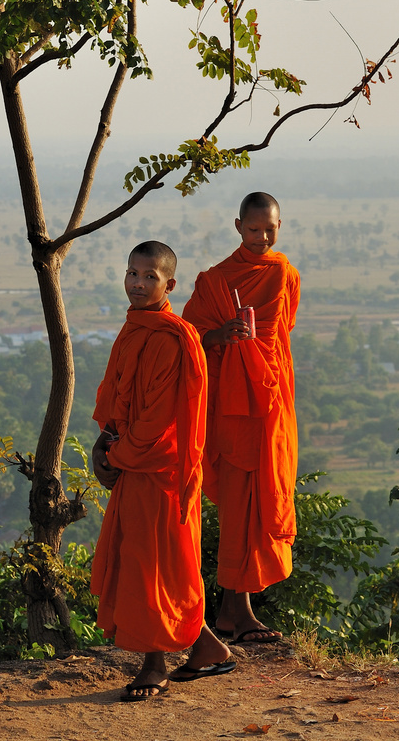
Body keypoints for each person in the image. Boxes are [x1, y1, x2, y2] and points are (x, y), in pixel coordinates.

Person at [91, 240, 235, 701]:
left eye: (149, 277)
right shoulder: (135, 328)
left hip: (162, 469)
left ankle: (154, 665)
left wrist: (117, 456)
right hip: (135, 462)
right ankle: (209, 649)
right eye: (132, 273)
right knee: (146, 561)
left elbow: (156, 422)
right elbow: (117, 398)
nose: (137, 283)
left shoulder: (171, 337)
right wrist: (105, 442)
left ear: (169, 284)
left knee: (154, 566)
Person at [182, 192, 300, 644]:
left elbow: (279, 338)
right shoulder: (214, 281)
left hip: (269, 401)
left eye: (270, 229)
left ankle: (236, 612)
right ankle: (237, 612)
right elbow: (190, 337)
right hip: (232, 406)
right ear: (237, 227)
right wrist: (221, 334)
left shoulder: (285, 275)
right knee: (238, 507)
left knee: (262, 500)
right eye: (253, 230)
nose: (262, 238)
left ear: (280, 225)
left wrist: (257, 359)